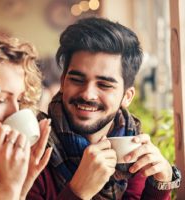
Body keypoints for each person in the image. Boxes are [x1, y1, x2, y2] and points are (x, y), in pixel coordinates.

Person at [28, 17, 181, 200]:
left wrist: (161, 183)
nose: (87, 94)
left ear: (127, 97)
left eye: (104, 85)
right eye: (77, 80)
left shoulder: (131, 148)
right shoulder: (32, 150)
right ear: (62, 82)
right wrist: (78, 191)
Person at [0, 32, 52, 200]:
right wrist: (8, 187)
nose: (14, 112)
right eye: (0, 99)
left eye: (20, 100)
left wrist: (23, 184)